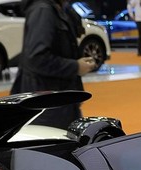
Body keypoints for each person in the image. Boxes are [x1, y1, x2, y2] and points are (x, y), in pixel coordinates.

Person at [11, 0, 96, 128]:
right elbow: (36, 58)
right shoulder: (43, 10)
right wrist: (75, 67)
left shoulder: (56, 8)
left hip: (56, 102)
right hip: (47, 106)